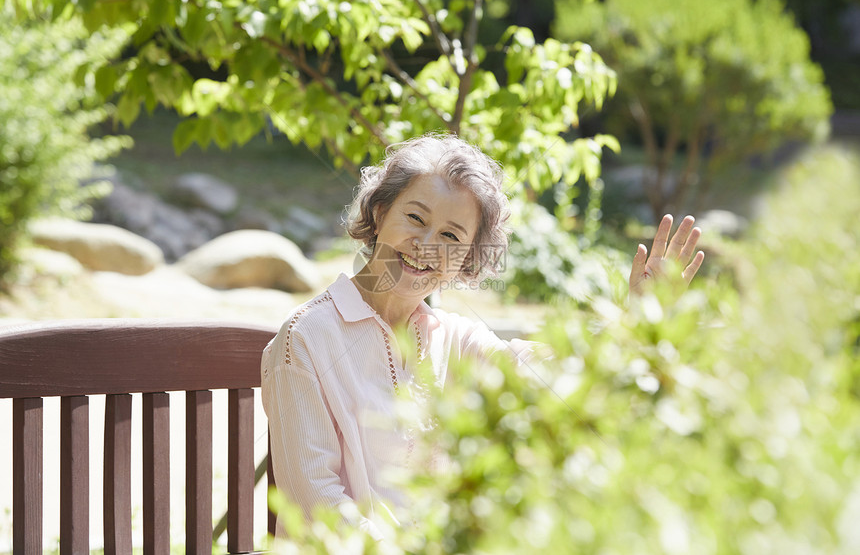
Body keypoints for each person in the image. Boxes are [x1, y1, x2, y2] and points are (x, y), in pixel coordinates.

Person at [260, 134, 704, 540]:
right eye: (415, 218)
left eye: (451, 236)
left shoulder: (452, 338)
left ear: (465, 260)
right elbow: (316, 505)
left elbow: (548, 371)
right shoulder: (305, 339)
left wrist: (640, 316)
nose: (427, 245)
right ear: (380, 214)